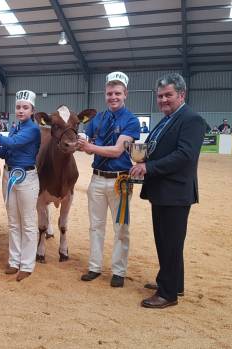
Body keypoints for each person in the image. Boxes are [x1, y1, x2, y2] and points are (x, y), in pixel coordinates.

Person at [130, 73, 206, 309]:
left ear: (181, 95)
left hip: (175, 192)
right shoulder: (167, 119)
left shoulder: (192, 119)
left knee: (170, 242)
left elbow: (184, 156)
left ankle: (168, 294)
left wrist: (148, 167)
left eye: (168, 95)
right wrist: (138, 155)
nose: (163, 100)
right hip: (163, 191)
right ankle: (173, 282)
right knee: (166, 241)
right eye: (160, 96)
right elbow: (158, 148)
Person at [77, 72, 140, 288]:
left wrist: (89, 147)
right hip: (96, 179)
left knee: (121, 227)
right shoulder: (99, 118)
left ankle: (119, 270)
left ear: (125, 95)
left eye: (117, 93)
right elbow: (86, 137)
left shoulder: (131, 121)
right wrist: (80, 140)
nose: (113, 97)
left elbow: (116, 150)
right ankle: (95, 266)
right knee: (95, 226)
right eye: (109, 93)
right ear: (105, 95)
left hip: (119, 181)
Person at [0, 90, 41, 282]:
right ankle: (14, 260)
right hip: (10, 175)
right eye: (18, 107)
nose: (21, 110)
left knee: (28, 223)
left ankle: (27, 264)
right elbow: (7, 152)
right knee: (13, 221)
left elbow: (13, 144)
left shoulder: (32, 129)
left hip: (27, 177)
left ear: (32, 110)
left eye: (25, 107)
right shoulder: (15, 127)